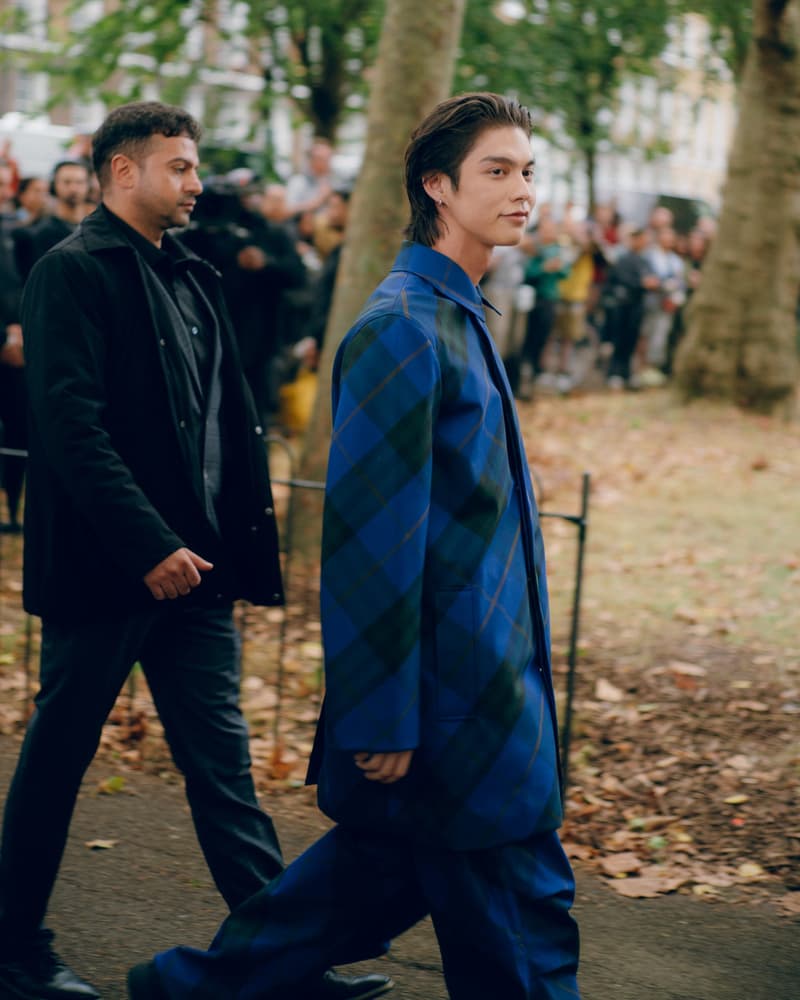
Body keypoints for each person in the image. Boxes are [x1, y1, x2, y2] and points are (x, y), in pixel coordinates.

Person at [129, 91, 580, 1000]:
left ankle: (182, 990)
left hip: (488, 702)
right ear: (438, 187)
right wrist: (378, 720)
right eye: (497, 170)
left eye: (528, 170)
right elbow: (373, 546)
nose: (522, 188)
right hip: (454, 718)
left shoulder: (459, 316)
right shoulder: (404, 329)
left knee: (328, 913)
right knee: (524, 944)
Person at [0, 101, 390, 1000]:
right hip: (112, 572)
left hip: (199, 576)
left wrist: (219, 546)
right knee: (57, 761)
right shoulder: (71, 273)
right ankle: (14, 948)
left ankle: (280, 961)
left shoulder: (193, 274)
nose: (195, 182)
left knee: (225, 770)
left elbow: (218, 421)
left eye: (194, 165)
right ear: (122, 172)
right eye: (178, 166)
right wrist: (149, 544)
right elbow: (68, 427)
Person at [11, 159, 92, 281]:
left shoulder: (97, 227)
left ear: (88, 185)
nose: (74, 188)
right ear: (55, 185)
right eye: (67, 182)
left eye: (80, 182)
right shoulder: (40, 232)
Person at [0, 160, 24, 533]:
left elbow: (13, 287)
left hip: (8, 346)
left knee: (18, 428)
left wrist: (15, 331)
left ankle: (13, 513)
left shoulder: (14, 233)